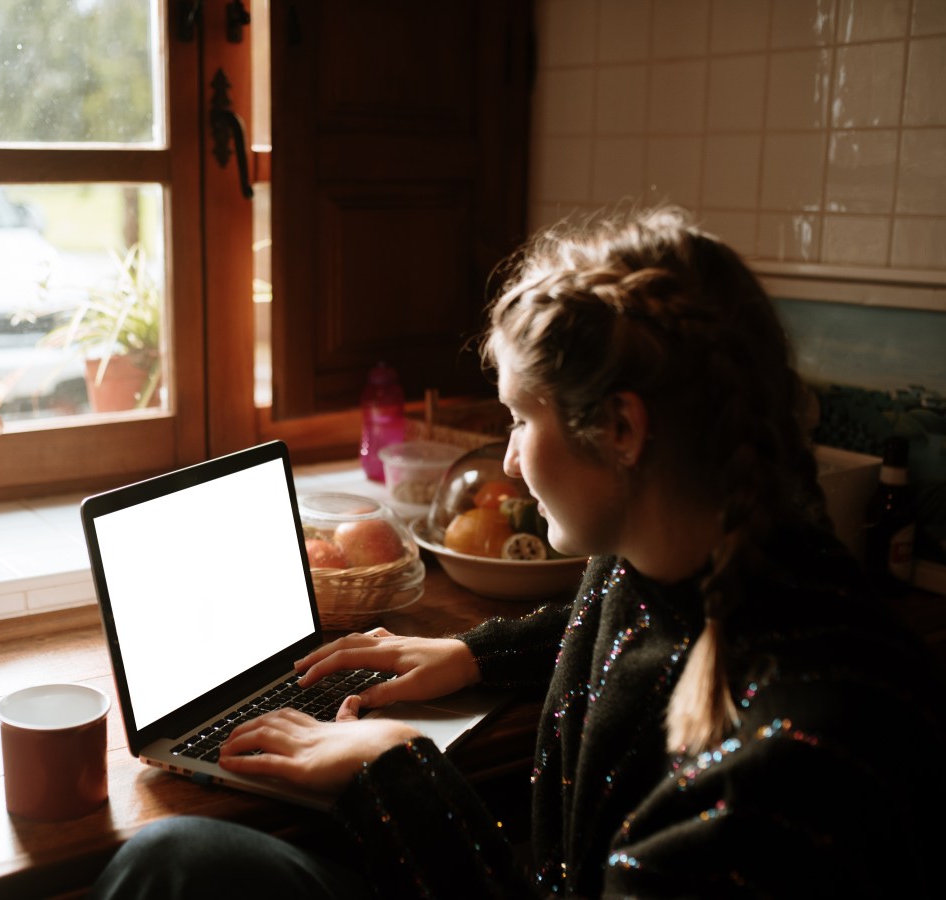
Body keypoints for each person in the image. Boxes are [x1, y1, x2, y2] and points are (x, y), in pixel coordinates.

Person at [91, 208, 945, 898]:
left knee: (160, 867)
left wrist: (393, 773)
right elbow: (623, 620)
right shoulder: (690, 555)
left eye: (519, 419)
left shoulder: (783, 774)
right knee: (171, 861)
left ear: (620, 429)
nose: (507, 459)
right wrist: (471, 652)